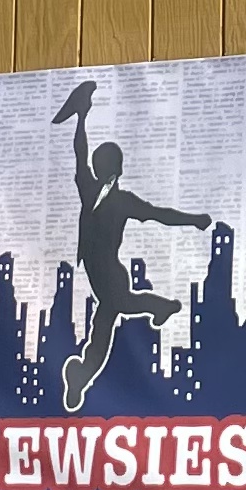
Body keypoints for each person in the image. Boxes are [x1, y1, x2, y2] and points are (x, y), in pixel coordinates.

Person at [52, 77, 208, 411]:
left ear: (111, 168)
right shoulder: (93, 193)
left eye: (101, 163)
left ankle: (83, 377)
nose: (97, 167)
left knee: (110, 314)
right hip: (102, 273)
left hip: (109, 273)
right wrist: (81, 118)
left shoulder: (118, 200)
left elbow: (160, 215)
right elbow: (80, 155)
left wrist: (194, 219)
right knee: (112, 313)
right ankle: (158, 310)